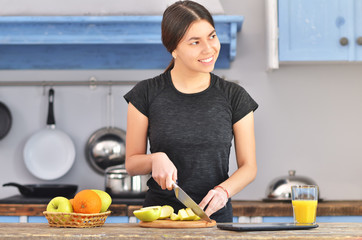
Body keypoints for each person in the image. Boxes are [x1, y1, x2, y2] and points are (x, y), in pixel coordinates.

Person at [124, 0, 258, 223]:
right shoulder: (145, 94)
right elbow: (131, 163)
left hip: (214, 219)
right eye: (195, 42)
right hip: (159, 221)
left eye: (212, 36)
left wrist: (224, 191)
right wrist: (155, 158)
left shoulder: (234, 96)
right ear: (173, 49)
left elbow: (249, 167)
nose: (209, 49)